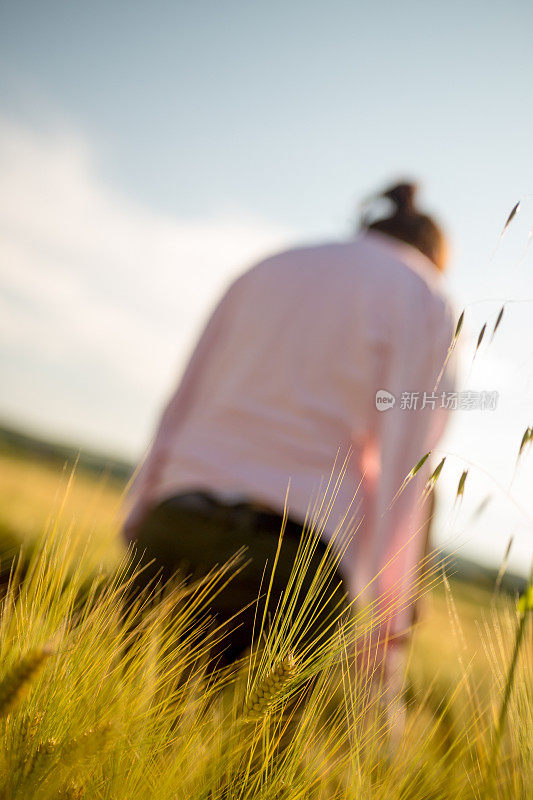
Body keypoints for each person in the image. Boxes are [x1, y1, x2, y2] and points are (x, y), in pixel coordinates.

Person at [122, 181, 456, 667]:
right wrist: (387, 627)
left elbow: (183, 400)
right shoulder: (426, 298)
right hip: (294, 561)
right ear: (432, 254)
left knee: (132, 713)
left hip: (174, 522)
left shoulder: (267, 267)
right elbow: (408, 468)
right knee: (259, 741)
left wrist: (138, 515)